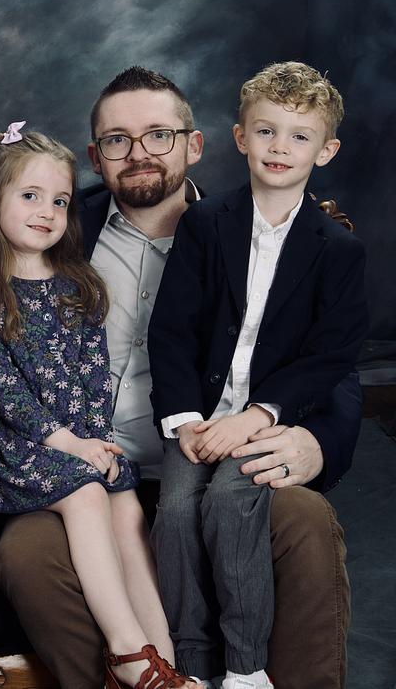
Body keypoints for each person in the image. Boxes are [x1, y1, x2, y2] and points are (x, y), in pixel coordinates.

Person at [0, 66, 363, 689]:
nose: (138, 153)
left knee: (303, 522)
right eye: (117, 140)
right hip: (86, 470)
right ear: (96, 157)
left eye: (159, 135)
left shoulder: (235, 230)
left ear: (195, 145)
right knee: (26, 553)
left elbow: (333, 361)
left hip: (216, 455)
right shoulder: (54, 226)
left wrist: (315, 442)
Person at [0, 125, 200, 689]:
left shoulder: (77, 283)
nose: (47, 212)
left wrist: (98, 442)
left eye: (60, 200)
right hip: (19, 447)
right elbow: (4, 389)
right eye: (29, 196)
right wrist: (69, 445)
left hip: (82, 439)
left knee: (125, 504)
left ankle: (164, 663)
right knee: (88, 495)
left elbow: (93, 376)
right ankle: (127, 652)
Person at [148, 62, 368, 689]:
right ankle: (192, 665)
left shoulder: (338, 250)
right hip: (200, 417)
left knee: (227, 502)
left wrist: (259, 415)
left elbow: (330, 356)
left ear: (325, 151)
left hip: (268, 420)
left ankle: (246, 667)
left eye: (300, 136)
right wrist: (185, 421)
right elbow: (171, 329)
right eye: (266, 131)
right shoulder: (204, 224)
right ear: (241, 137)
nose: (279, 147)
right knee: (175, 512)